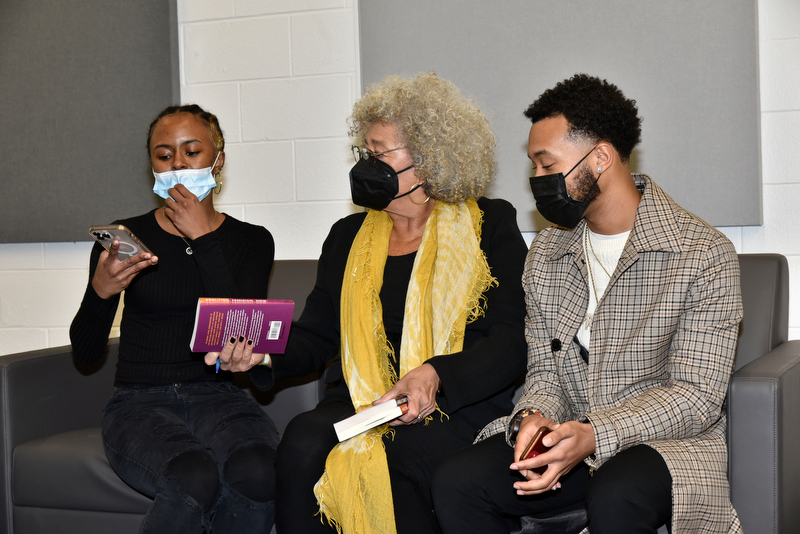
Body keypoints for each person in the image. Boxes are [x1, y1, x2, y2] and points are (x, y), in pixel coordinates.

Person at [213, 72, 528, 534]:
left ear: (427, 159)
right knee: (303, 440)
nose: (366, 164)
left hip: (454, 405)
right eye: (365, 152)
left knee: (394, 456)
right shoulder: (347, 237)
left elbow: (511, 339)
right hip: (364, 400)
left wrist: (436, 374)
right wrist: (263, 352)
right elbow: (319, 334)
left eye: (380, 153)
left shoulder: (489, 225)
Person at [432, 74, 743, 534]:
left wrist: (595, 433)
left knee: (617, 492)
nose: (537, 180)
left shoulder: (701, 252)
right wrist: (533, 420)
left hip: (669, 446)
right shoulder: (546, 254)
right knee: (458, 481)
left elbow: (696, 396)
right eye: (534, 167)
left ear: (600, 157)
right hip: (568, 433)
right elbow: (544, 373)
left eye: (546, 164)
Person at [70, 104, 279, 534]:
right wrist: (102, 292)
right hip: (139, 403)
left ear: (218, 160)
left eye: (192, 151)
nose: (178, 165)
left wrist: (204, 237)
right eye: (164, 155)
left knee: (259, 471)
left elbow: (243, 335)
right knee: (193, 475)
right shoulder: (125, 238)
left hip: (220, 398)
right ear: (151, 165)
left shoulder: (251, 241)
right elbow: (85, 353)